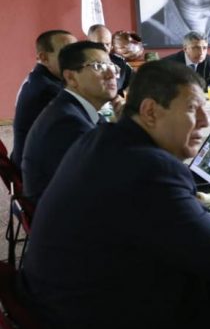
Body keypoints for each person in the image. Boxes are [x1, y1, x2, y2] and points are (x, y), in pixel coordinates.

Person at [20, 60, 210, 329]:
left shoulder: (102, 139)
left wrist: (201, 220)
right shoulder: (149, 167)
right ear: (150, 111)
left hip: (66, 312)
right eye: (192, 109)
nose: (205, 121)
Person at [22, 41, 119, 203]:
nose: (112, 75)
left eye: (113, 67)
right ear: (71, 77)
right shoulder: (67, 122)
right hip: (63, 212)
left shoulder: (72, 107)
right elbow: (104, 177)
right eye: (99, 66)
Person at [11, 30, 77, 169]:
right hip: (36, 171)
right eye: (67, 53)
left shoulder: (42, 77)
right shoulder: (47, 89)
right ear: (44, 58)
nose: (77, 58)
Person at [87, 24, 133, 96]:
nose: (104, 48)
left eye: (107, 44)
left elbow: (135, 87)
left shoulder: (120, 63)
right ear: (89, 43)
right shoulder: (81, 66)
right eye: (100, 44)